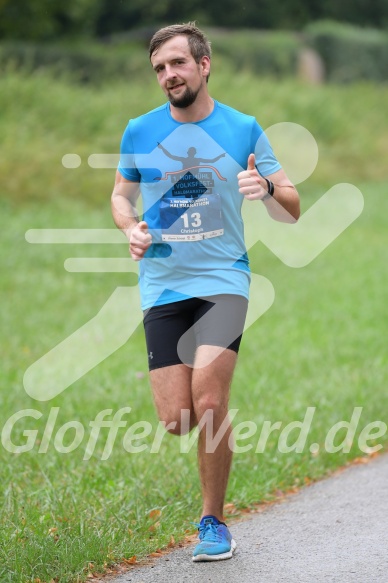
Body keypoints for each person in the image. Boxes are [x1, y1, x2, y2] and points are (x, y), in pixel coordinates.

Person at [111, 22, 300, 562]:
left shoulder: (241, 128)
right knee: (177, 420)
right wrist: (130, 228)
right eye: (160, 69)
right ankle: (201, 443)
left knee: (211, 402)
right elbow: (120, 197)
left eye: (177, 64)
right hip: (163, 286)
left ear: (204, 64)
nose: (168, 75)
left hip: (223, 281)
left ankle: (213, 522)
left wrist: (263, 188)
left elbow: (292, 204)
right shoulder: (139, 131)